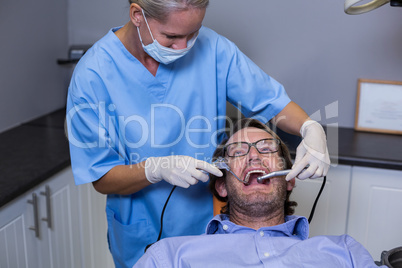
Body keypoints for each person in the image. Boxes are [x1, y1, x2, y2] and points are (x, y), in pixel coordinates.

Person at [66, 0, 330, 267]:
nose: (183, 48)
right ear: (137, 15)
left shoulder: (213, 49)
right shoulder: (93, 75)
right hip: (140, 230)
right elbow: (100, 176)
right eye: (171, 36)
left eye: (193, 34)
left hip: (208, 225)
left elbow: (272, 102)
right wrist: (153, 169)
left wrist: (310, 127)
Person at [134, 118, 381, 268]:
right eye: (239, 152)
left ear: (289, 180)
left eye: (266, 149)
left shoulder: (345, 252)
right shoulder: (169, 257)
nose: (254, 156)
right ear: (222, 186)